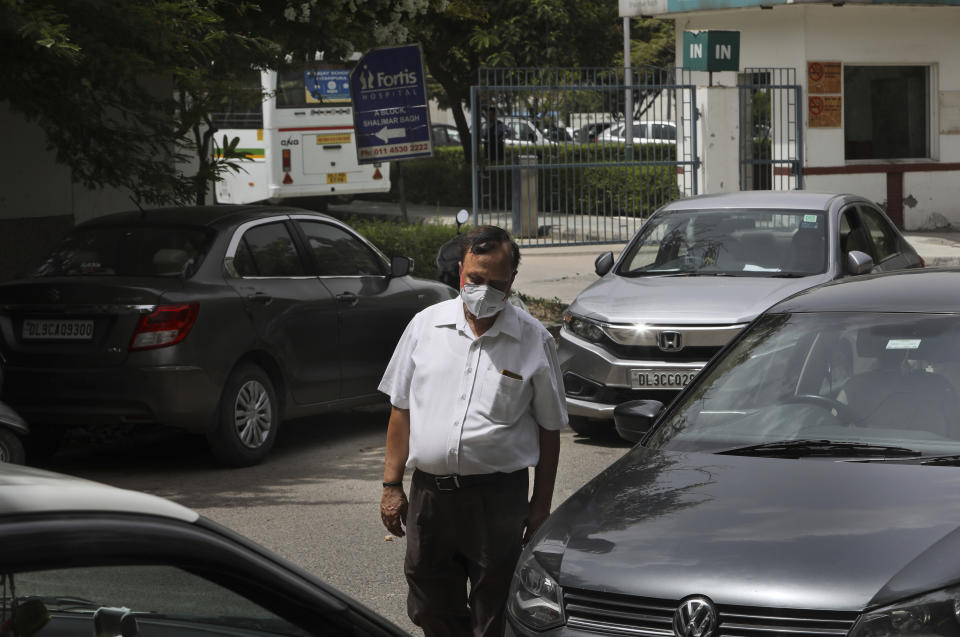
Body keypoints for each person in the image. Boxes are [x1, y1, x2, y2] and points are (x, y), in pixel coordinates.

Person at [379, 225, 567, 637]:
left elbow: (550, 431)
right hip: (431, 497)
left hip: (497, 501)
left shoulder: (533, 340)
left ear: (512, 281)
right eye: (474, 279)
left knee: (492, 610)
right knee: (429, 604)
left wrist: (539, 508)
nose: (483, 290)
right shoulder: (424, 327)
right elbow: (401, 409)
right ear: (461, 269)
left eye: (496, 283)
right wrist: (392, 485)